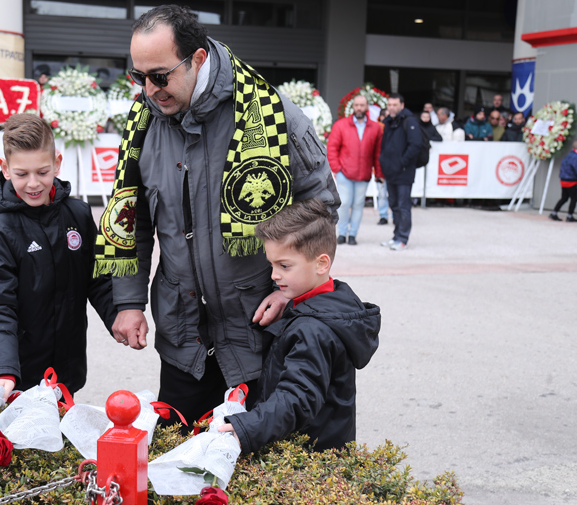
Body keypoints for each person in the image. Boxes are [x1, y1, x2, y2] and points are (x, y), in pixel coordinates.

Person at [95, 5, 340, 428]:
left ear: (198, 59)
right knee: (180, 472)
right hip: (182, 342)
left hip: (260, 338)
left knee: (256, 476)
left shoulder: (273, 115)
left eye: (160, 76)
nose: (149, 90)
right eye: (139, 77)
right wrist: (129, 302)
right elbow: (130, 222)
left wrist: (291, 291)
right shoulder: (143, 124)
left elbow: (320, 209)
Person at [218, 199, 380, 452]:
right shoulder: (327, 303)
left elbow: (298, 397)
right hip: (324, 446)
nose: (274, 275)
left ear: (321, 264)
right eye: (271, 264)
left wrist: (249, 427)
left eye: (284, 266)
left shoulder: (313, 329)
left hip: (310, 456)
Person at [0, 114, 118, 397]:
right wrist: (3, 368)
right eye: (21, 174)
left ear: (57, 164)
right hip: (19, 378)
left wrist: (118, 316)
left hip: (67, 370)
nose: (33, 183)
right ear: (5, 168)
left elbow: (98, 278)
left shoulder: (78, 214)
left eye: (42, 172)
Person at [327, 95, 382, 246]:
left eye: (362, 105)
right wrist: (337, 168)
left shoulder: (375, 127)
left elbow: (378, 153)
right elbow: (332, 148)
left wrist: (378, 173)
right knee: (344, 203)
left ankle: (353, 234)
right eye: (357, 105)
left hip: (363, 174)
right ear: (353, 107)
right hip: (345, 172)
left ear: (367, 107)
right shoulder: (341, 125)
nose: (359, 108)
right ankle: (342, 233)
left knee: (358, 204)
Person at [378, 92, 420, 251]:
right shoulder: (389, 121)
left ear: (402, 105)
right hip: (391, 171)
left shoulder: (410, 121)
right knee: (394, 205)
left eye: (395, 105)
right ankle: (396, 235)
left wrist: (402, 163)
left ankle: (403, 238)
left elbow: (415, 145)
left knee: (403, 206)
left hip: (403, 172)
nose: (392, 108)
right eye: (389, 105)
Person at [549, 139, 577, 223]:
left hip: (563, 180)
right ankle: (570, 216)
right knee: (574, 199)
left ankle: (554, 212)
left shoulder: (569, 155)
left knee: (564, 198)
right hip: (571, 181)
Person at [374, 108, 390, 225]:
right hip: (380, 165)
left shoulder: (396, 127)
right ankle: (383, 215)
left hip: (393, 165)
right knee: (382, 193)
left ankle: (395, 216)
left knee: (394, 193)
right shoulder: (376, 128)